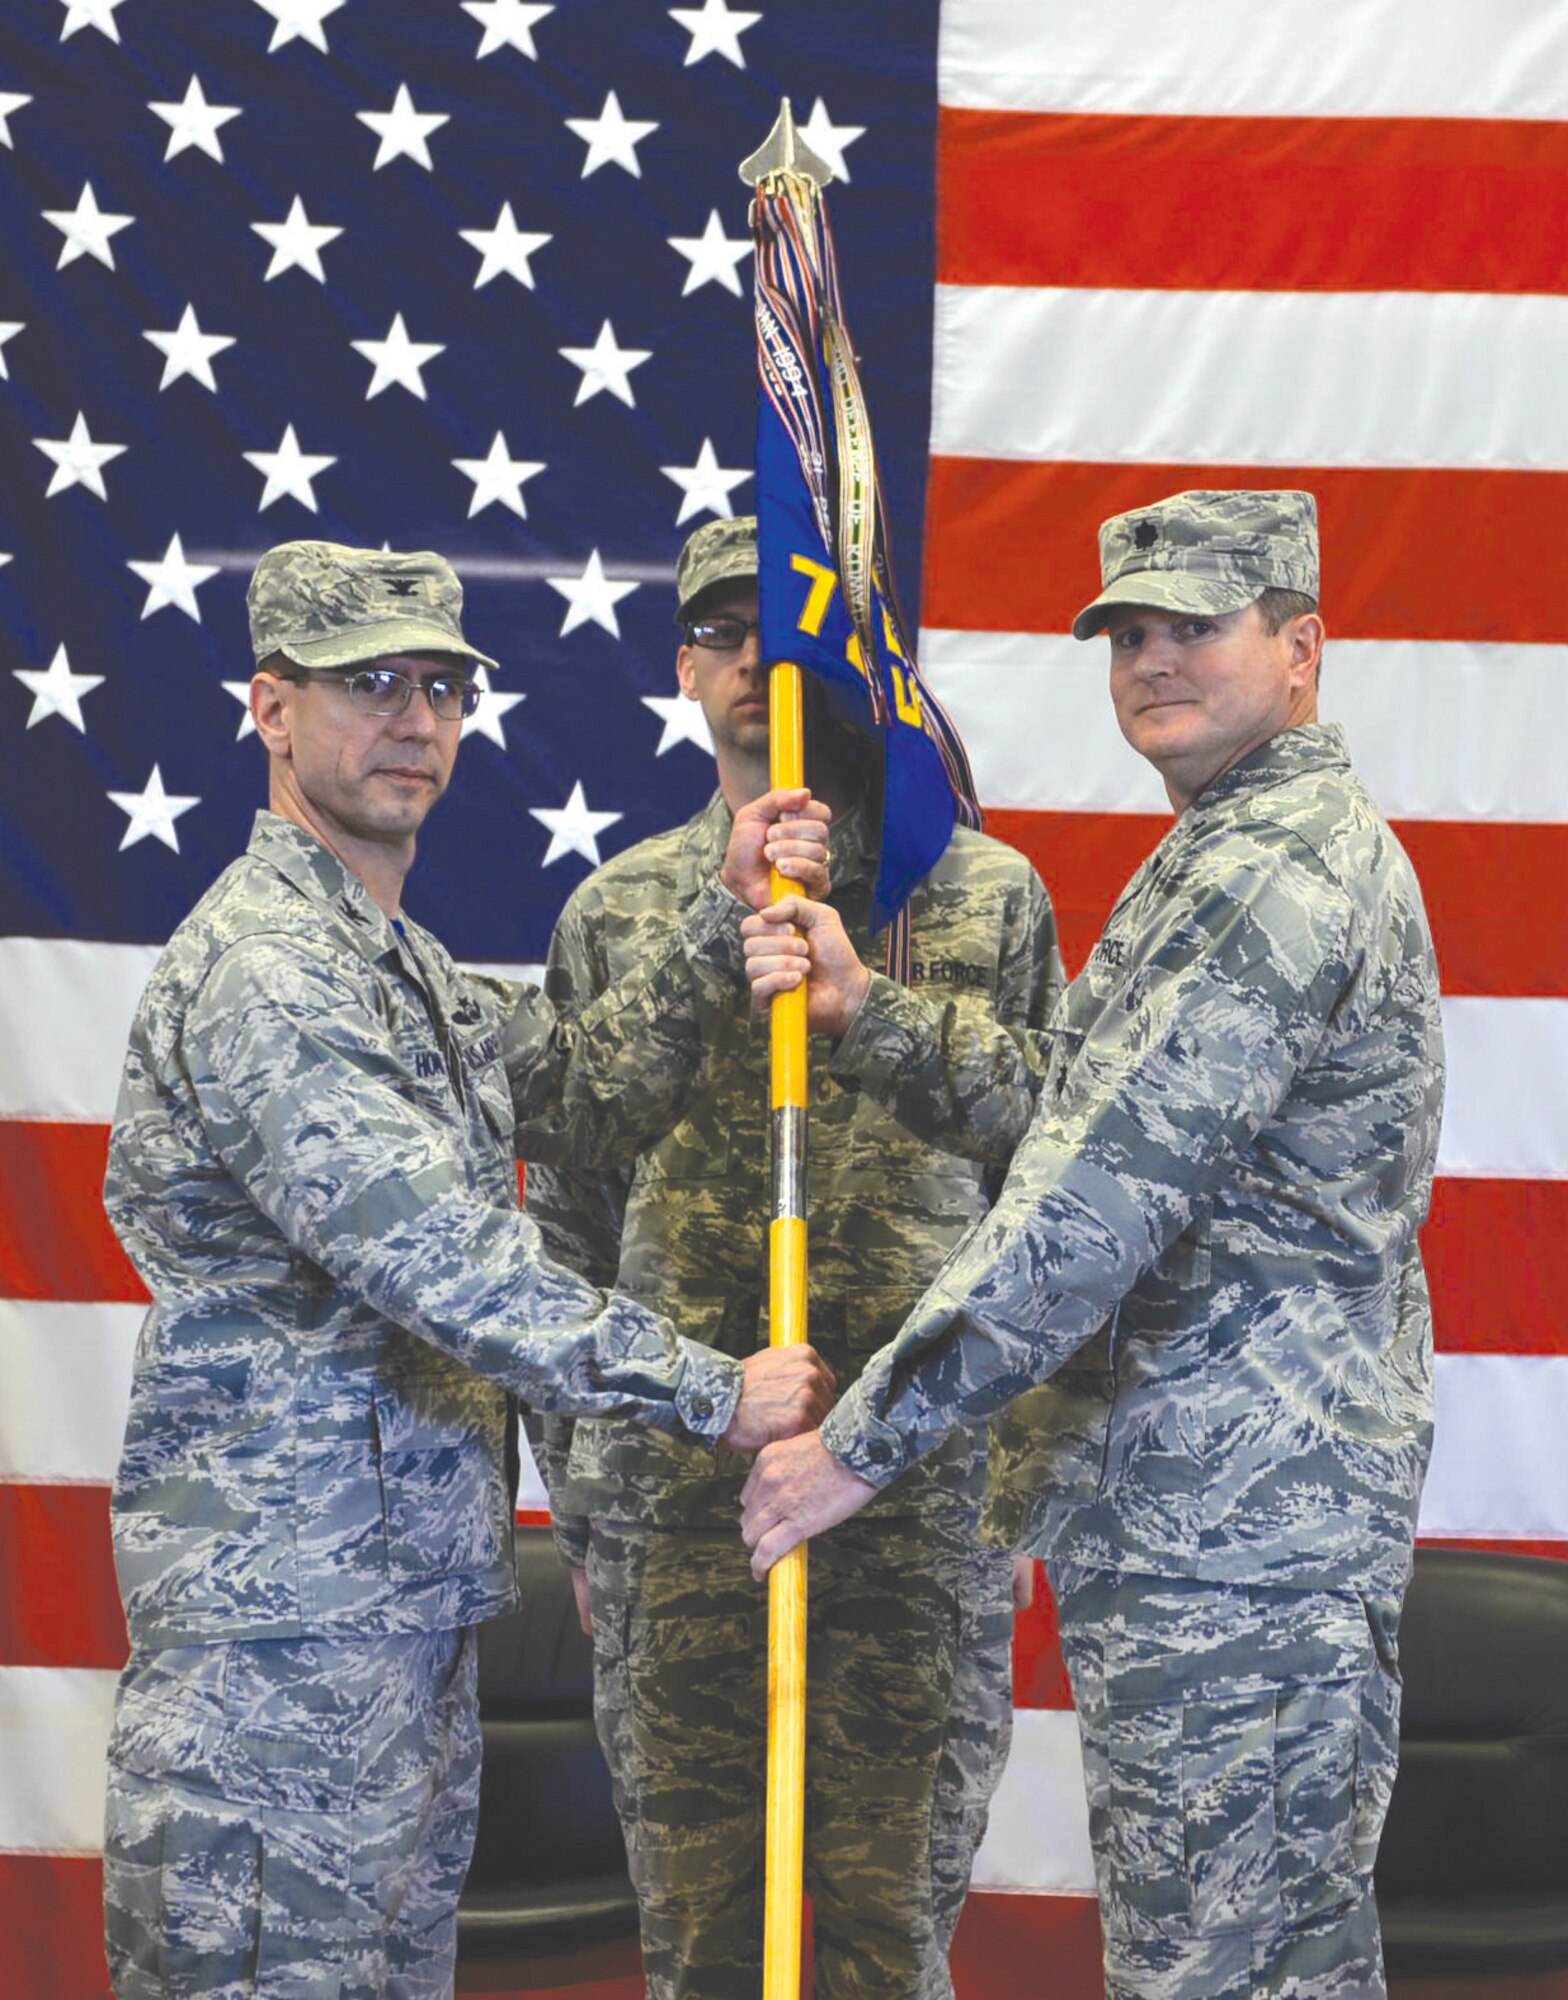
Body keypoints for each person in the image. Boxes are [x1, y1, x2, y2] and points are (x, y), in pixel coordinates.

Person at [99, 539, 835, 2000]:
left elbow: (578, 1099)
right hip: (280, 1635)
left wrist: (720, 909)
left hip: (396, 1612)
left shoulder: (402, 965)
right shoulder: (274, 971)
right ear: (271, 708)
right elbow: (445, 1261)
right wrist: (710, 1390)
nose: (415, 721)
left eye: (440, 686)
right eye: (369, 684)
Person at [738, 491, 1445, 2000]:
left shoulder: (1275, 873)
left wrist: (854, 1448)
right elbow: (1079, 1114)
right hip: (1215, 1527)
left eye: (1197, 624)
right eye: (1127, 631)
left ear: (1304, 648)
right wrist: (875, 1014)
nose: (1152, 659)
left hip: (1241, 1542)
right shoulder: (1224, 851)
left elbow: (1090, 1209)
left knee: (1229, 1975)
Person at [523, 515, 1064, 2000]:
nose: (760, 658)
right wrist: (582, 1502)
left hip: (921, 1497)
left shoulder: (983, 898)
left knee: (891, 1938)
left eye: (795, 628)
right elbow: (557, 1224)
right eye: (722, 632)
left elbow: (1055, 1185)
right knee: (702, 1942)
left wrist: (1009, 1486)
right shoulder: (621, 910)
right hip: (677, 1502)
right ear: (687, 667)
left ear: (860, 656)